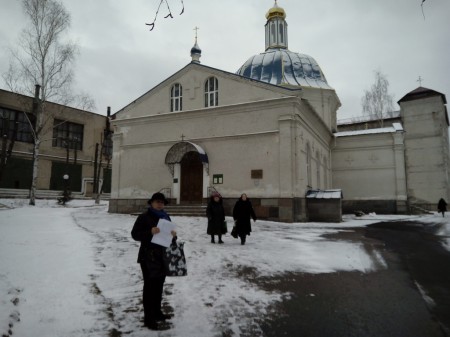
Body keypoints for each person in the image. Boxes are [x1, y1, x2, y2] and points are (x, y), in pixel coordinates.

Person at [131, 192, 177, 330]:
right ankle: (149, 318)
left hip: (162, 256)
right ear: (151, 203)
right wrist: (150, 232)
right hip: (148, 256)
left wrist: (173, 236)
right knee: (150, 287)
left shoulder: (166, 217)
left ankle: (157, 312)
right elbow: (135, 234)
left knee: (159, 286)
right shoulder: (144, 217)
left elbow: (168, 237)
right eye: (157, 202)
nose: (160, 204)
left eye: (162, 202)